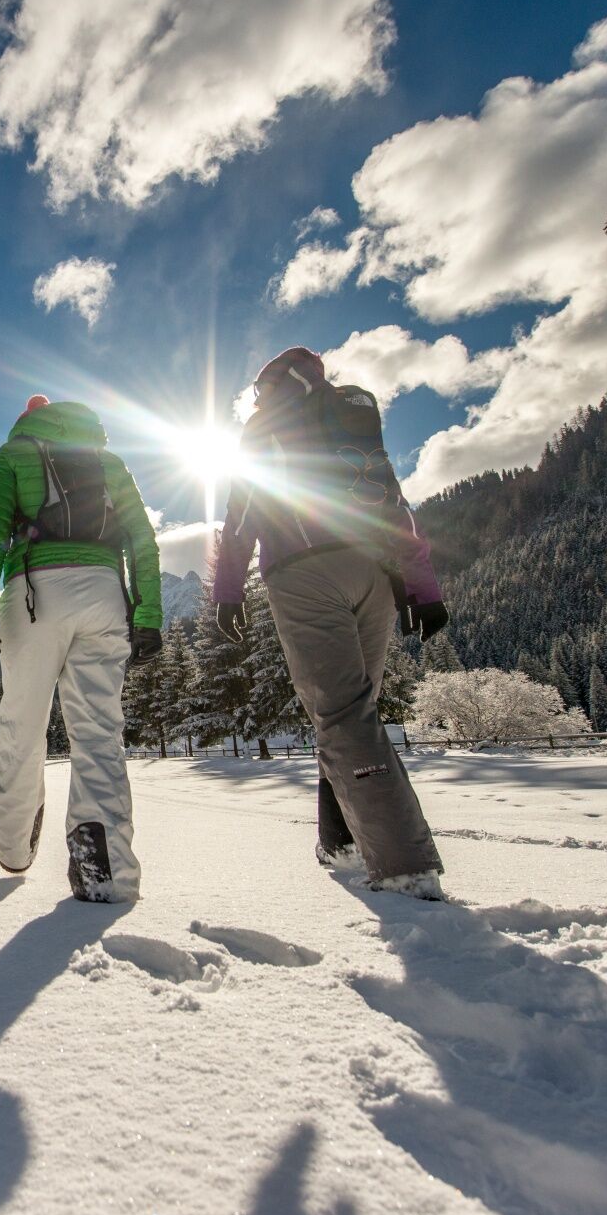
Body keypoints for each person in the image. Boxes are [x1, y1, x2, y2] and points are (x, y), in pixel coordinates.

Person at [212, 348, 450, 899]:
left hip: (304, 572)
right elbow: (394, 504)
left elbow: (241, 514)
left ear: (268, 387)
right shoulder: (352, 414)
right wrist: (422, 586)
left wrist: (228, 591)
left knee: (342, 715)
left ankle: (404, 864)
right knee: (354, 713)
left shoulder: (264, 426)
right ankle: (339, 841)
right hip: (374, 576)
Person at [0, 395, 163, 902]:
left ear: (27, 420)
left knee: (24, 724)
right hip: (104, 594)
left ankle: (12, 845)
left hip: (35, 593)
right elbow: (142, 539)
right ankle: (106, 870)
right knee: (98, 732)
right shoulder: (107, 461)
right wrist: (147, 614)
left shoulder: (12, 455)